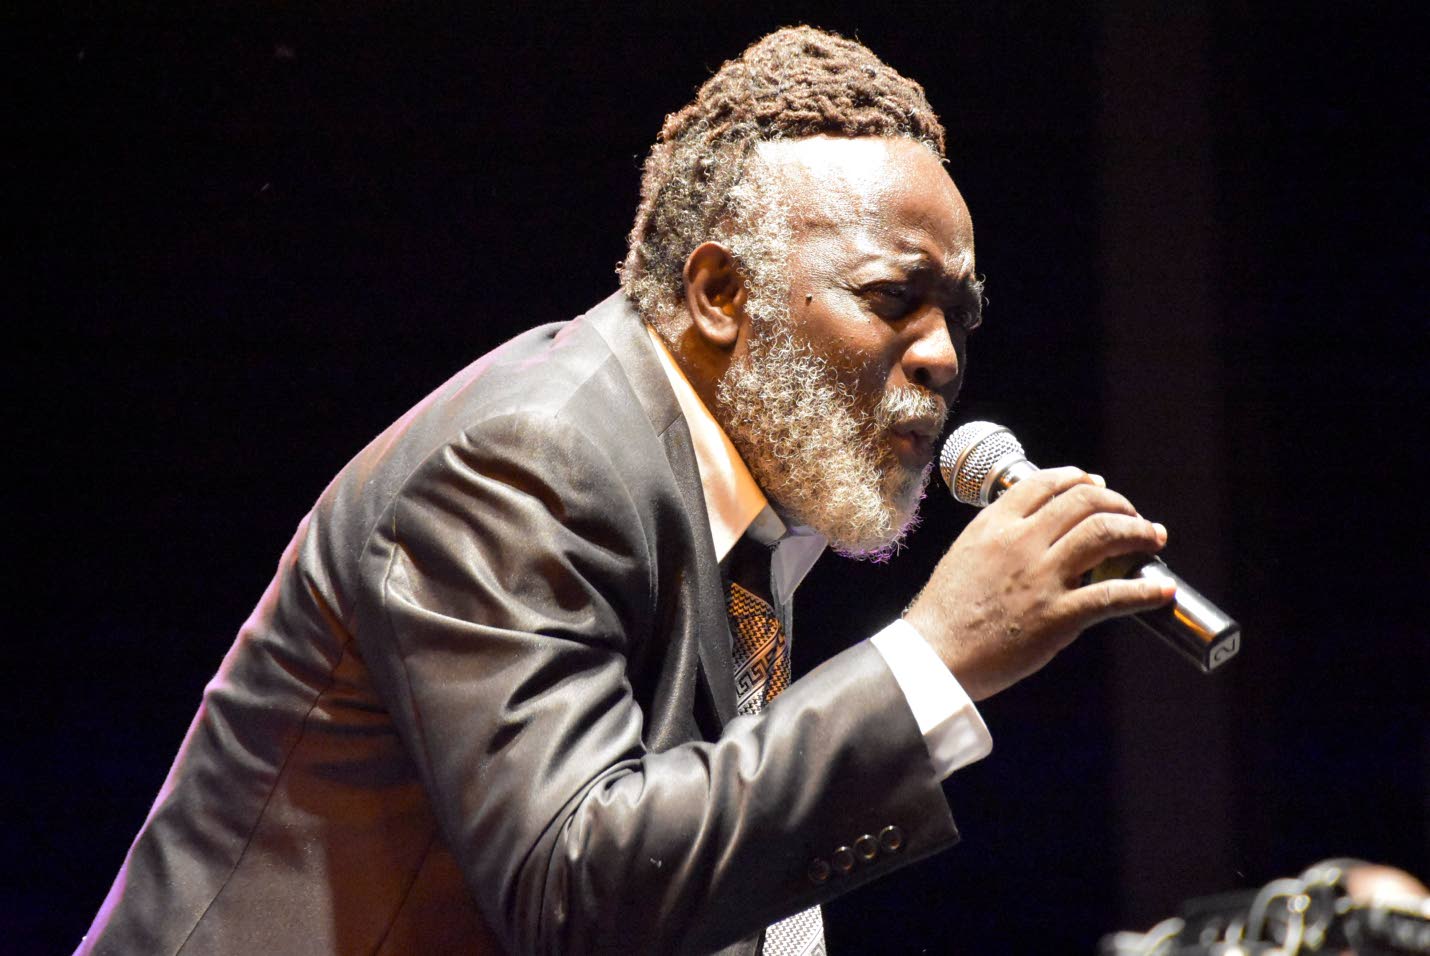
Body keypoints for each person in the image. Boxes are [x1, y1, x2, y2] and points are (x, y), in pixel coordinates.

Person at [77, 26, 1174, 956]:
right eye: (894, 297)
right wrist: (935, 653)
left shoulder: (744, 511)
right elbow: (573, 890)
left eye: (958, 314)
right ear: (719, 292)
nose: (941, 354)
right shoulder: (529, 458)